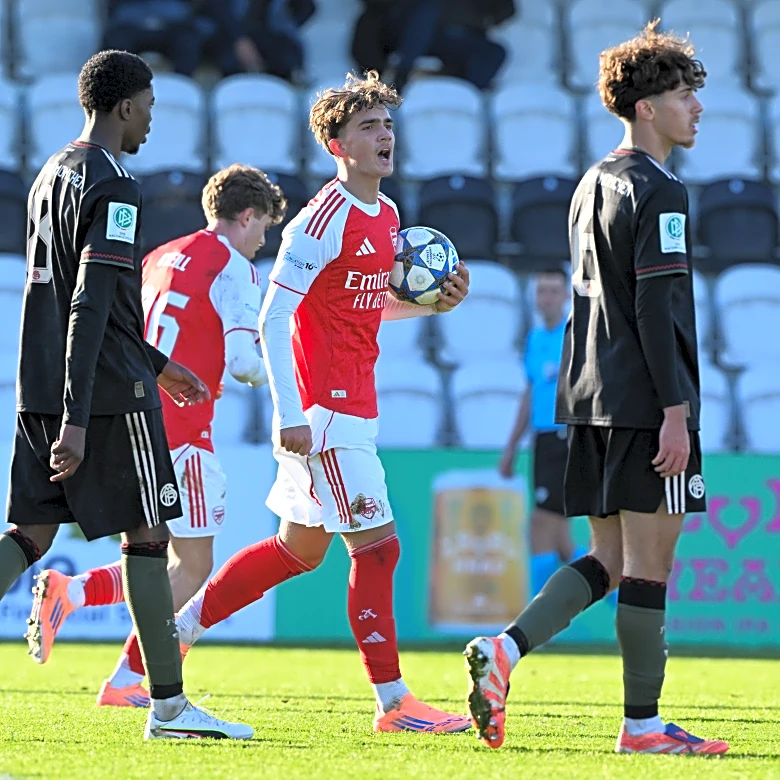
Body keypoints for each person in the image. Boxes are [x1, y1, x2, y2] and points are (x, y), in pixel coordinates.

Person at [173, 70, 473, 733]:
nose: (385, 136)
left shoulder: (387, 215)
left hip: (350, 404)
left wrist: (426, 305)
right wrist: (291, 416)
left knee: (296, 550)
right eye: (368, 127)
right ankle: (395, 704)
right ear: (337, 144)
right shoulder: (320, 219)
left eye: (388, 125)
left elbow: (357, 309)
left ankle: (163, 643)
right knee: (378, 549)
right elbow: (277, 317)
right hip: (325, 412)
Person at [463, 22, 730, 755]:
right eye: (684, 95)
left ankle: (506, 652)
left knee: (609, 562)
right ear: (647, 106)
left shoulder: (592, 182)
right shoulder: (661, 189)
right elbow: (653, 305)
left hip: (587, 400)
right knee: (650, 567)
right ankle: (642, 726)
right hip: (646, 401)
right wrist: (677, 410)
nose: (696, 109)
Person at [3, 50, 251, 740]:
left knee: (30, 535)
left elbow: (80, 305)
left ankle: (166, 703)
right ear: (123, 107)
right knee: (151, 537)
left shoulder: (50, 174)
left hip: (40, 383)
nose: (150, 122)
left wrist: (160, 359)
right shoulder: (114, 184)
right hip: (105, 397)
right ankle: (168, 707)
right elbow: (91, 301)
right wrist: (81, 418)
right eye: (147, 108)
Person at [26, 164, 286, 708]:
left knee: (151, 554)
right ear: (245, 216)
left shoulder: (157, 257)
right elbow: (242, 364)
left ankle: (71, 592)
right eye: (263, 227)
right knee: (191, 565)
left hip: (130, 418)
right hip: (183, 430)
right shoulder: (234, 266)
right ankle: (127, 679)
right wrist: (287, 367)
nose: (263, 241)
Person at [499, 268, 584, 597]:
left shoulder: (574, 336)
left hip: (566, 436)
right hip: (543, 439)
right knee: (562, 542)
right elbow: (531, 392)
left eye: (553, 291)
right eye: (541, 291)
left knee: (540, 524)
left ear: (565, 296)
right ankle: (621, 603)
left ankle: (535, 620)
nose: (546, 298)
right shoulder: (536, 339)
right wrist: (511, 447)